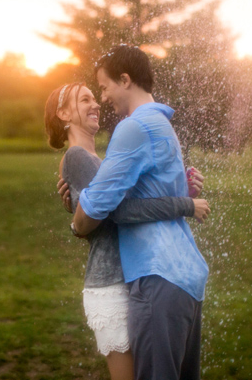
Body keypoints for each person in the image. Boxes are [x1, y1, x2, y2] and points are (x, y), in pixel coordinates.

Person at [44, 82, 210, 380]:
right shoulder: (77, 157)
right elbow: (123, 213)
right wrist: (185, 204)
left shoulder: (100, 160)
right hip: (110, 286)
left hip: (132, 281)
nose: (96, 104)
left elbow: (121, 209)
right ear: (64, 114)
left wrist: (182, 188)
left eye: (95, 97)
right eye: (85, 100)